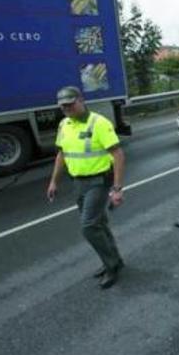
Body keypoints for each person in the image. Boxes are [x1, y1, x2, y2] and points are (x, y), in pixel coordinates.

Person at [46, 86, 125, 289]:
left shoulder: (99, 123)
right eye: (63, 106)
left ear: (81, 100)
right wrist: (54, 181)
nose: (66, 108)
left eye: (70, 103)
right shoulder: (64, 124)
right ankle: (115, 260)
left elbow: (118, 155)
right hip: (78, 182)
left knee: (89, 227)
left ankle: (111, 266)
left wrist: (117, 189)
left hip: (99, 181)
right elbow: (61, 154)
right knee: (99, 224)